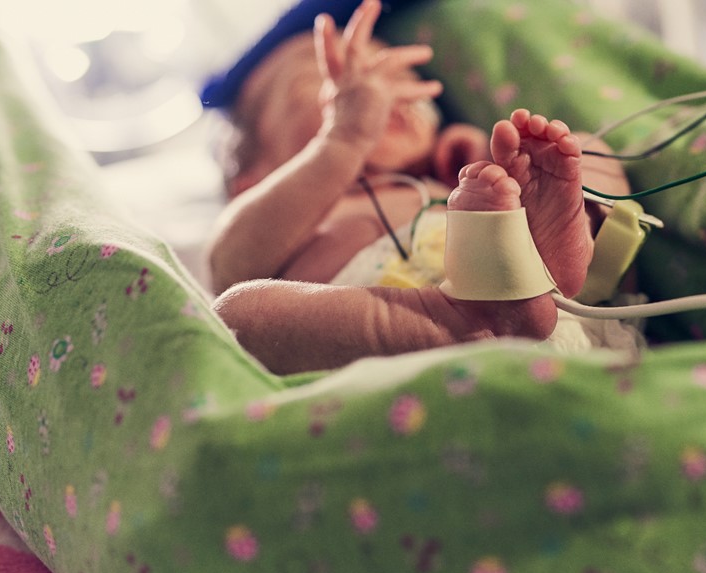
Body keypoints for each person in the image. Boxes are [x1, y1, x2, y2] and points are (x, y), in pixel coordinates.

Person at [205, 0, 631, 375]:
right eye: (327, 82)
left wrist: (499, 166)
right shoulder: (291, 219)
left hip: (554, 312)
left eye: (399, 80)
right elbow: (230, 263)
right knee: (238, 314)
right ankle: (453, 322)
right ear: (253, 183)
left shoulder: (455, 182)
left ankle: (559, 246)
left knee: (584, 148)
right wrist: (344, 137)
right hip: (396, 349)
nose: (378, 91)